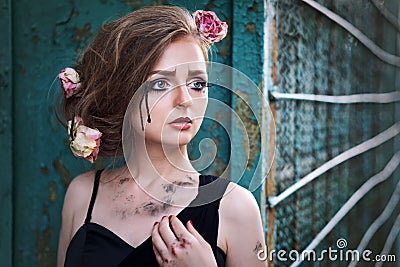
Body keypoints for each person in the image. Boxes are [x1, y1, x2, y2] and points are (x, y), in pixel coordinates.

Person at [57, 5, 267, 267]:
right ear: (122, 94)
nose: (185, 100)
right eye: (160, 84)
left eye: (197, 84)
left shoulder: (236, 208)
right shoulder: (82, 195)